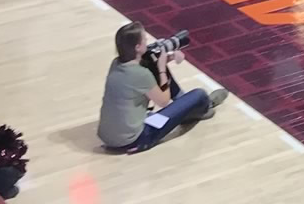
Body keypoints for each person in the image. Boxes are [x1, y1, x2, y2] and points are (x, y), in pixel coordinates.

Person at [97, 22, 228, 152]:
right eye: (144, 39)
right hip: (137, 138)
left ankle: (185, 106)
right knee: (199, 94)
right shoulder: (141, 74)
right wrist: (161, 68)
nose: (147, 41)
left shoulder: (116, 64)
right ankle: (206, 105)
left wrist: (166, 59)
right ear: (137, 47)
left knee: (172, 101)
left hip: (108, 138)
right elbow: (164, 101)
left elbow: (142, 71)